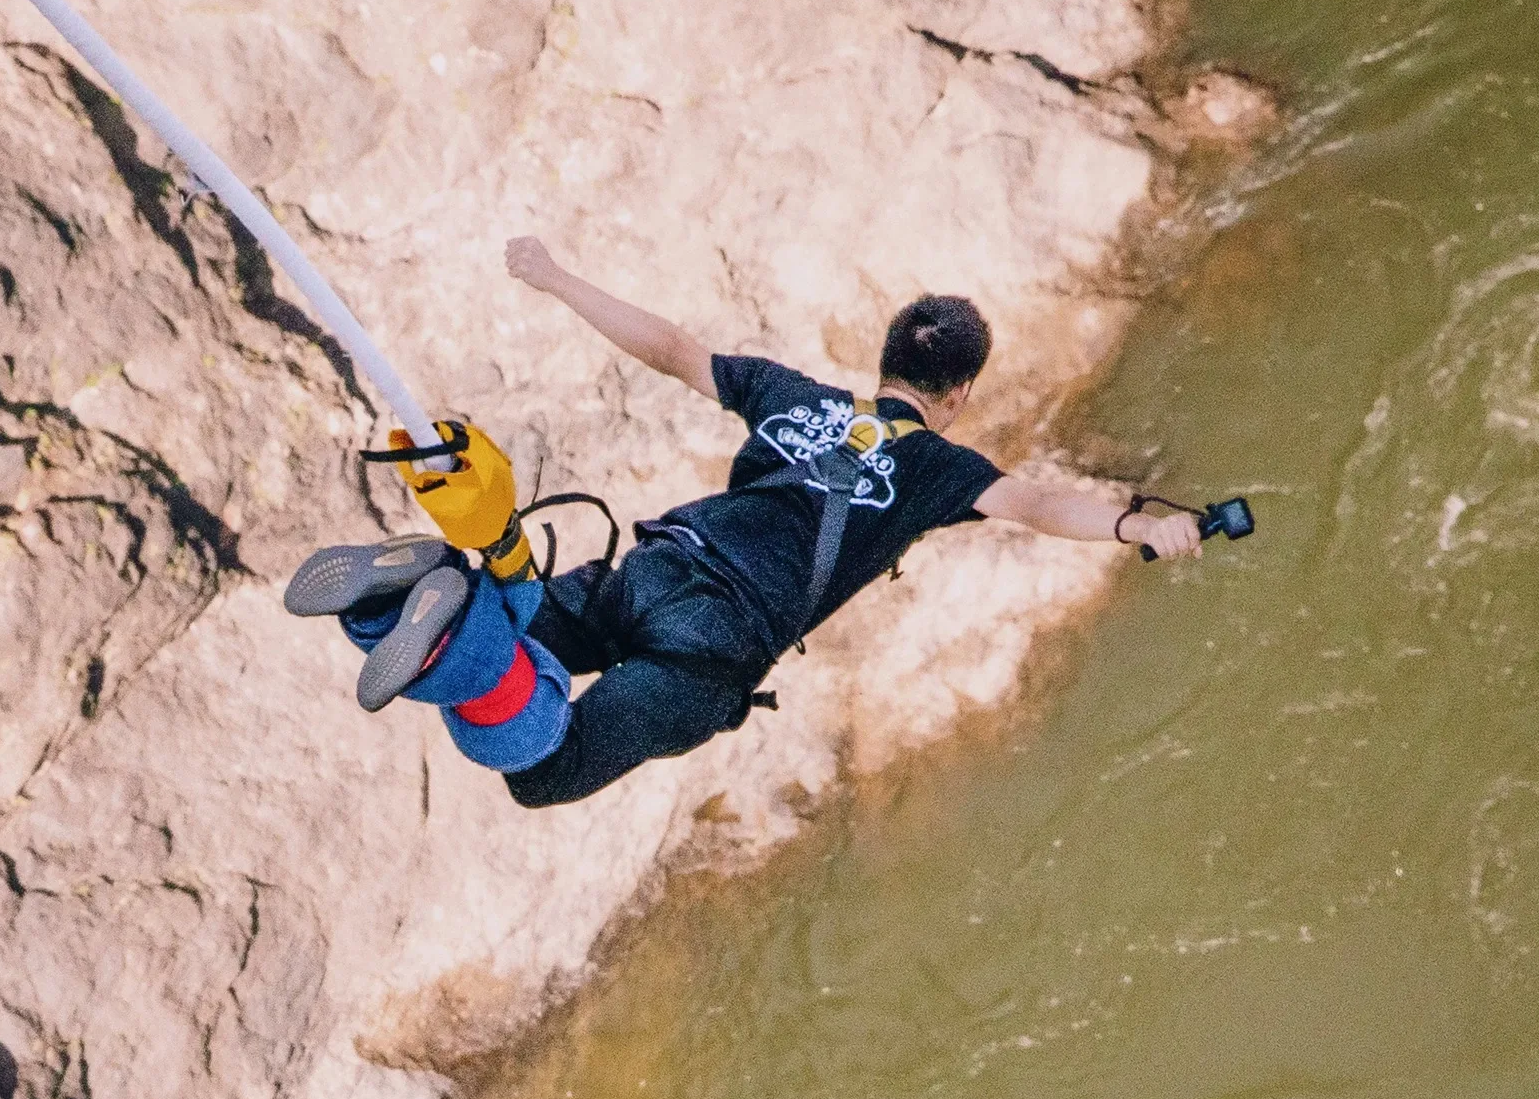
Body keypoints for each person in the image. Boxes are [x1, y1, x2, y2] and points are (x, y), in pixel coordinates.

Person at [292, 236, 1217, 806]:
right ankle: (467, 637)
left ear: (883, 359)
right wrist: (1134, 525)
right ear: (961, 394)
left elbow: (672, 350)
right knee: (542, 772)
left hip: (654, 565)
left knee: (515, 614)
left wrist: (557, 278)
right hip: (711, 642)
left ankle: (420, 585)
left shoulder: (794, 396)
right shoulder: (940, 466)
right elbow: (1039, 504)